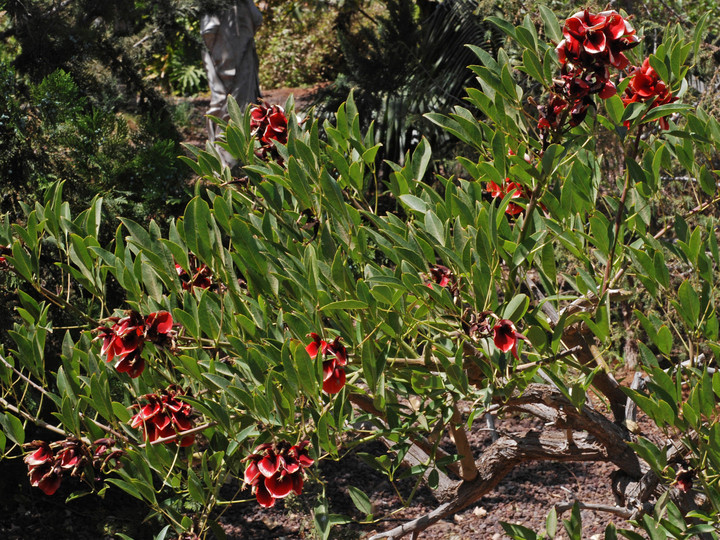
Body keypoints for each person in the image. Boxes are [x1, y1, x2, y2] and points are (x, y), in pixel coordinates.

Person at [201, 0, 262, 164]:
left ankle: (228, 164)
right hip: (232, 58)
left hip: (226, 57)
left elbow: (208, 30)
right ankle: (229, 164)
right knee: (234, 108)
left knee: (229, 107)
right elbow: (256, 19)